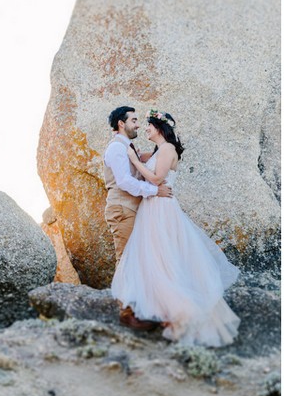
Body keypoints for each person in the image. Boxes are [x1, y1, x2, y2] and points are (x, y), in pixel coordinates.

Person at [110, 110, 241, 346]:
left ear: (159, 128)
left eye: (148, 124)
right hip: (151, 207)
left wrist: (135, 160)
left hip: (160, 207)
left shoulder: (168, 149)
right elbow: (144, 166)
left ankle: (179, 311)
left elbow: (156, 179)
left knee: (164, 257)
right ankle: (161, 310)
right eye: (139, 123)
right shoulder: (160, 150)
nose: (145, 128)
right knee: (155, 259)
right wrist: (137, 157)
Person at [102, 105, 173, 330]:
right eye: (133, 120)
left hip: (131, 209)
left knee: (138, 259)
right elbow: (123, 181)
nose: (138, 125)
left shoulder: (127, 147)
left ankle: (142, 309)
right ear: (121, 124)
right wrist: (155, 191)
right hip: (122, 209)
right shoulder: (116, 148)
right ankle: (126, 313)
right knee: (126, 260)